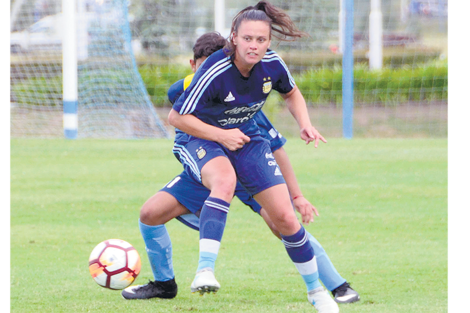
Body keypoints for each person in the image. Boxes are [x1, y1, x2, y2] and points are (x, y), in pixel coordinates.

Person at [121, 31, 359, 305]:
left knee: (282, 222)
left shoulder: (247, 105)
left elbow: (276, 149)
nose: (212, 73)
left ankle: (337, 285)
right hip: (208, 165)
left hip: (247, 168)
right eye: (204, 66)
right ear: (193, 66)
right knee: (150, 213)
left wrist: (297, 196)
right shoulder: (183, 92)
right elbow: (179, 117)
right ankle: (164, 284)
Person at [168, 2, 341, 311]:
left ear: (268, 42)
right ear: (234, 37)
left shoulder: (272, 64)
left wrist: (305, 124)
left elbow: (291, 93)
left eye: (261, 40)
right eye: (248, 38)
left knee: (285, 218)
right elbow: (177, 117)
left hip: (246, 139)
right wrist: (221, 135)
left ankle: (316, 291)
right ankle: (205, 269)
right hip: (204, 138)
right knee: (224, 180)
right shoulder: (214, 69)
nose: (254, 45)